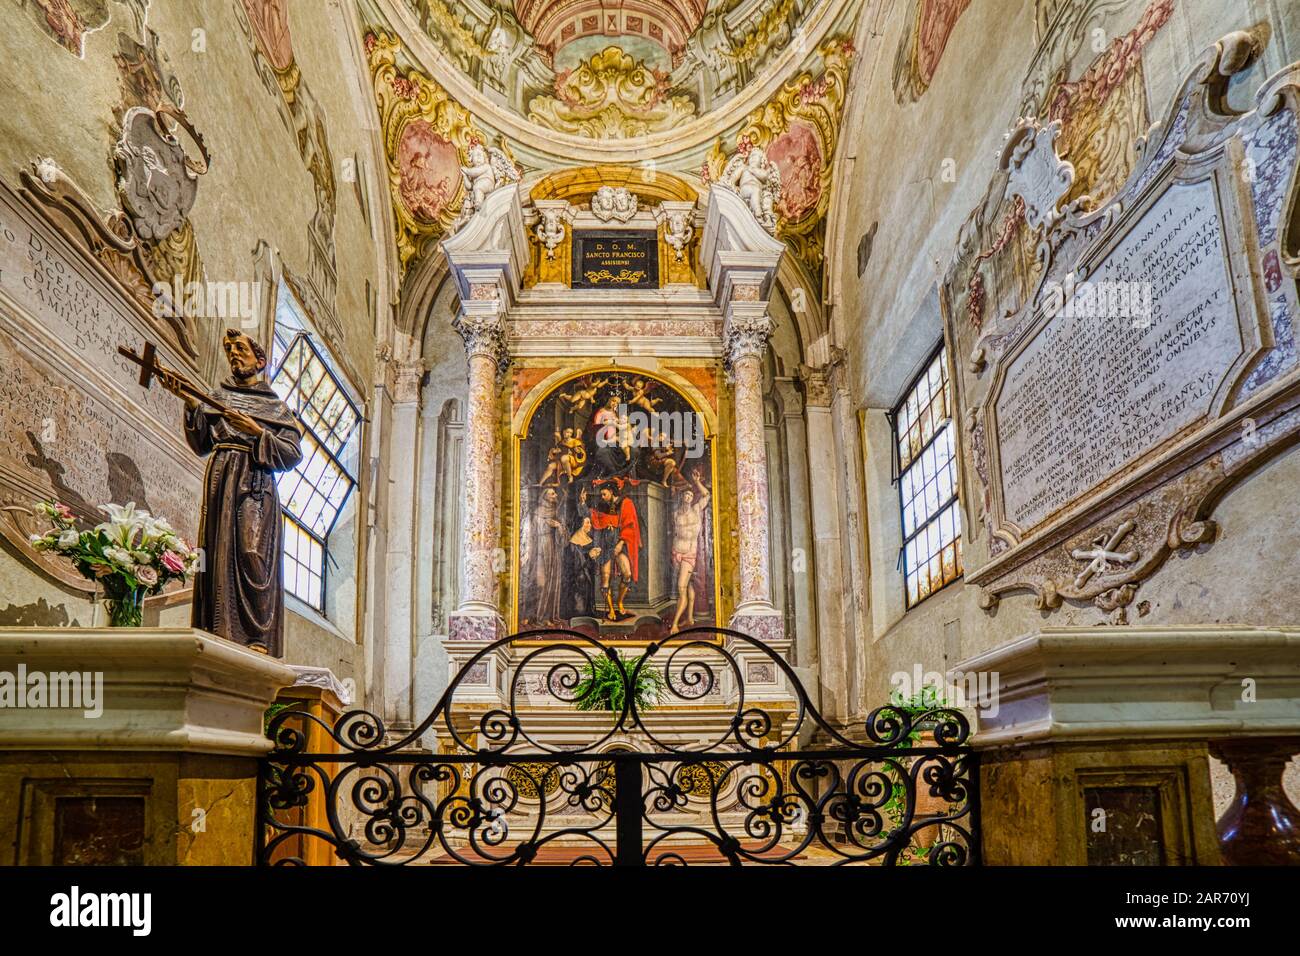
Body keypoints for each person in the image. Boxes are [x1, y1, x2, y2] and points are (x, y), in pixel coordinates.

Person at [157, 329, 302, 655]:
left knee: (253, 553)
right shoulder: (218, 397)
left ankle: (256, 637)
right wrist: (193, 405)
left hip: (255, 482)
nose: (234, 354)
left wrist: (257, 433)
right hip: (222, 478)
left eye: (240, 348)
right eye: (229, 349)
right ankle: (218, 627)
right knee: (219, 550)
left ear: (260, 360)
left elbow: (292, 454)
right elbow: (201, 443)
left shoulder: (276, 409)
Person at [588, 480, 641, 621]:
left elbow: (630, 526)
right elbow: (595, 520)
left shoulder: (626, 503)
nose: (602, 497)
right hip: (606, 547)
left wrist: (620, 543)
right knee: (605, 579)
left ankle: (619, 602)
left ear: (611, 492)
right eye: (601, 495)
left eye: (604, 494)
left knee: (627, 574)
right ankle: (611, 609)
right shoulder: (602, 505)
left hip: (619, 546)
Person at [669, 467, 710, 634]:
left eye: (691, 495)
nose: (688, 497)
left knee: (681, 587)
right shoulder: (676, 513)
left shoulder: (696, 510)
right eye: (686, 495)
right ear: (682, 497)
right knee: (688, 585)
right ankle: (690, 617)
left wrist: (697, 482)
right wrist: (675, 553)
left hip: (689, 555)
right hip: (676, 554)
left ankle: (675, 624)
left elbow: (707, 495)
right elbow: (676, 534)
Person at [561, 515, 601, 620]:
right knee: (580, 609)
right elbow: (574, 565)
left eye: (590, 523)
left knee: (589, 597)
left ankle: (589, 610)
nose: (590, 525)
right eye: (587, 523)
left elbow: (589, 559)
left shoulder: (589, 540)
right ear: (580, 525)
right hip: (578, 578)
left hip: (588, 574)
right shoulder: (573, 542)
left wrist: (594, 556)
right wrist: (589, 555)